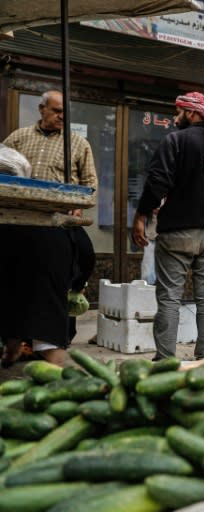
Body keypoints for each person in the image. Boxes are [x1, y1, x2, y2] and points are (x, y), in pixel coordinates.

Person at [131, 92, 204, 361]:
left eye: (179, 112)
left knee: (170, 298)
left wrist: (140, 216)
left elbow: (157, 183)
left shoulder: (175, 141)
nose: (175, 118)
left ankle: (165, 359)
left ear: (193, 113)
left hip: (177, 233)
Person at [0, 90, 98, 367]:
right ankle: (11, 346)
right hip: (16, 226)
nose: (61, 117)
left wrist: (79, 203)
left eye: (65, 113)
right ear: (41, 109)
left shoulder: (77, 144)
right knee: (10, 287)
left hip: (55, 225)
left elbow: (90, 183)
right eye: (56, 111)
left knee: (51, 289)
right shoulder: (17, 138)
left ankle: (50, 349)